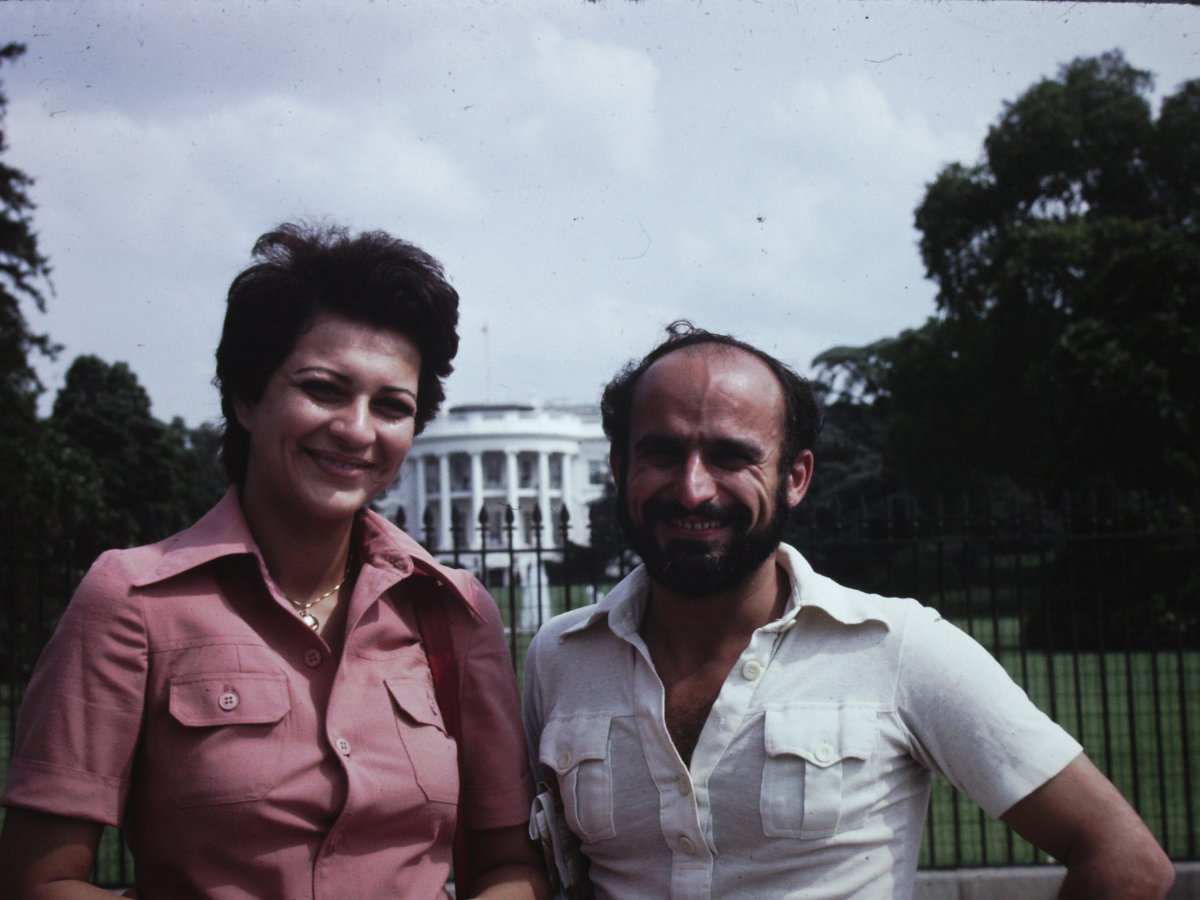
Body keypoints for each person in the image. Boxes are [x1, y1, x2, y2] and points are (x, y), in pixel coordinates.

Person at [522, 321, 1175, 899]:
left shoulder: (897, 647)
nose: (693, 489)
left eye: (731, 456)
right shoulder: (560, 658)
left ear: (795, 477)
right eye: (662, 453)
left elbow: (1126, 860)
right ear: (619, 466)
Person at [0, 224, 549, 900]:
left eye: (391, 406)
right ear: (247, 397)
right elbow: (37, 881)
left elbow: (511, 866)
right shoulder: (135, 602)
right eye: (324, 389)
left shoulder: (453, 610)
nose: (356, 430)